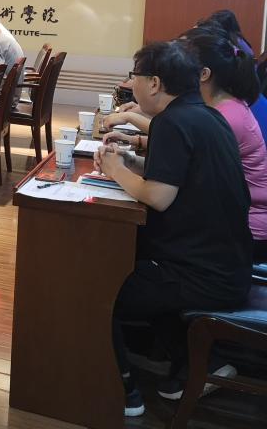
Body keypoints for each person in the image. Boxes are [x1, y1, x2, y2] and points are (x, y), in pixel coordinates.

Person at [95, 40, 251, 417]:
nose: (131, 84)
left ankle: (121, 392)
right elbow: (179, 176)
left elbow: (159, 197)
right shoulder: (206, 115)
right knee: (137, 274)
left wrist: (115, 170)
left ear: (154, 83)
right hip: (228, 266)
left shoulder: (172, 121)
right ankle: (206, 365)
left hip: (200, 275)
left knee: (99, 292)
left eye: (135, 76)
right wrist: (132, 162)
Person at [186, 30, 267, 262]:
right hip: (235, 220)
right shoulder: (225, 106)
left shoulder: (225, 117)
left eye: (183, 64)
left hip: (248, 230)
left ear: (204, 74)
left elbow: (185, 174)